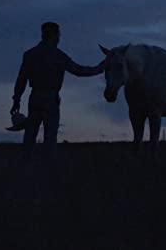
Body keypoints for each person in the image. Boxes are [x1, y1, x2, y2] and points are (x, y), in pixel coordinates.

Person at [9, 22, 103, 160]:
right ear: (54, 36)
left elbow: (21, 80)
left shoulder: (30, 54)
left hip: (34, 97)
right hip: (51, 99)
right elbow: (79, 71)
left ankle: (25, 167)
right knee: (50, 138)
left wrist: (16, 100)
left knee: (29, 136)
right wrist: (101, 68)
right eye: (58, 35)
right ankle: (49, 170)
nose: (59, 38)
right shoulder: (58, 55)